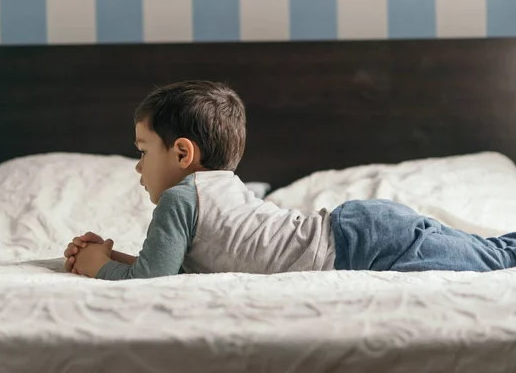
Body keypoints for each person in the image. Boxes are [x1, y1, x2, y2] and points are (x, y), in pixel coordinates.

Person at [63, 80, 516, 280]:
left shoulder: (181, 198)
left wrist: (98, 266)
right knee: (489, 251)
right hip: (362, 232)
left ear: (182, 152)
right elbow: (173, 264)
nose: (138, 168)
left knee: (493, 259)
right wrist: (110, 252)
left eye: (143, 153)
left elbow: (151, 280)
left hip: (359, 243)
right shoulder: (218, 188)